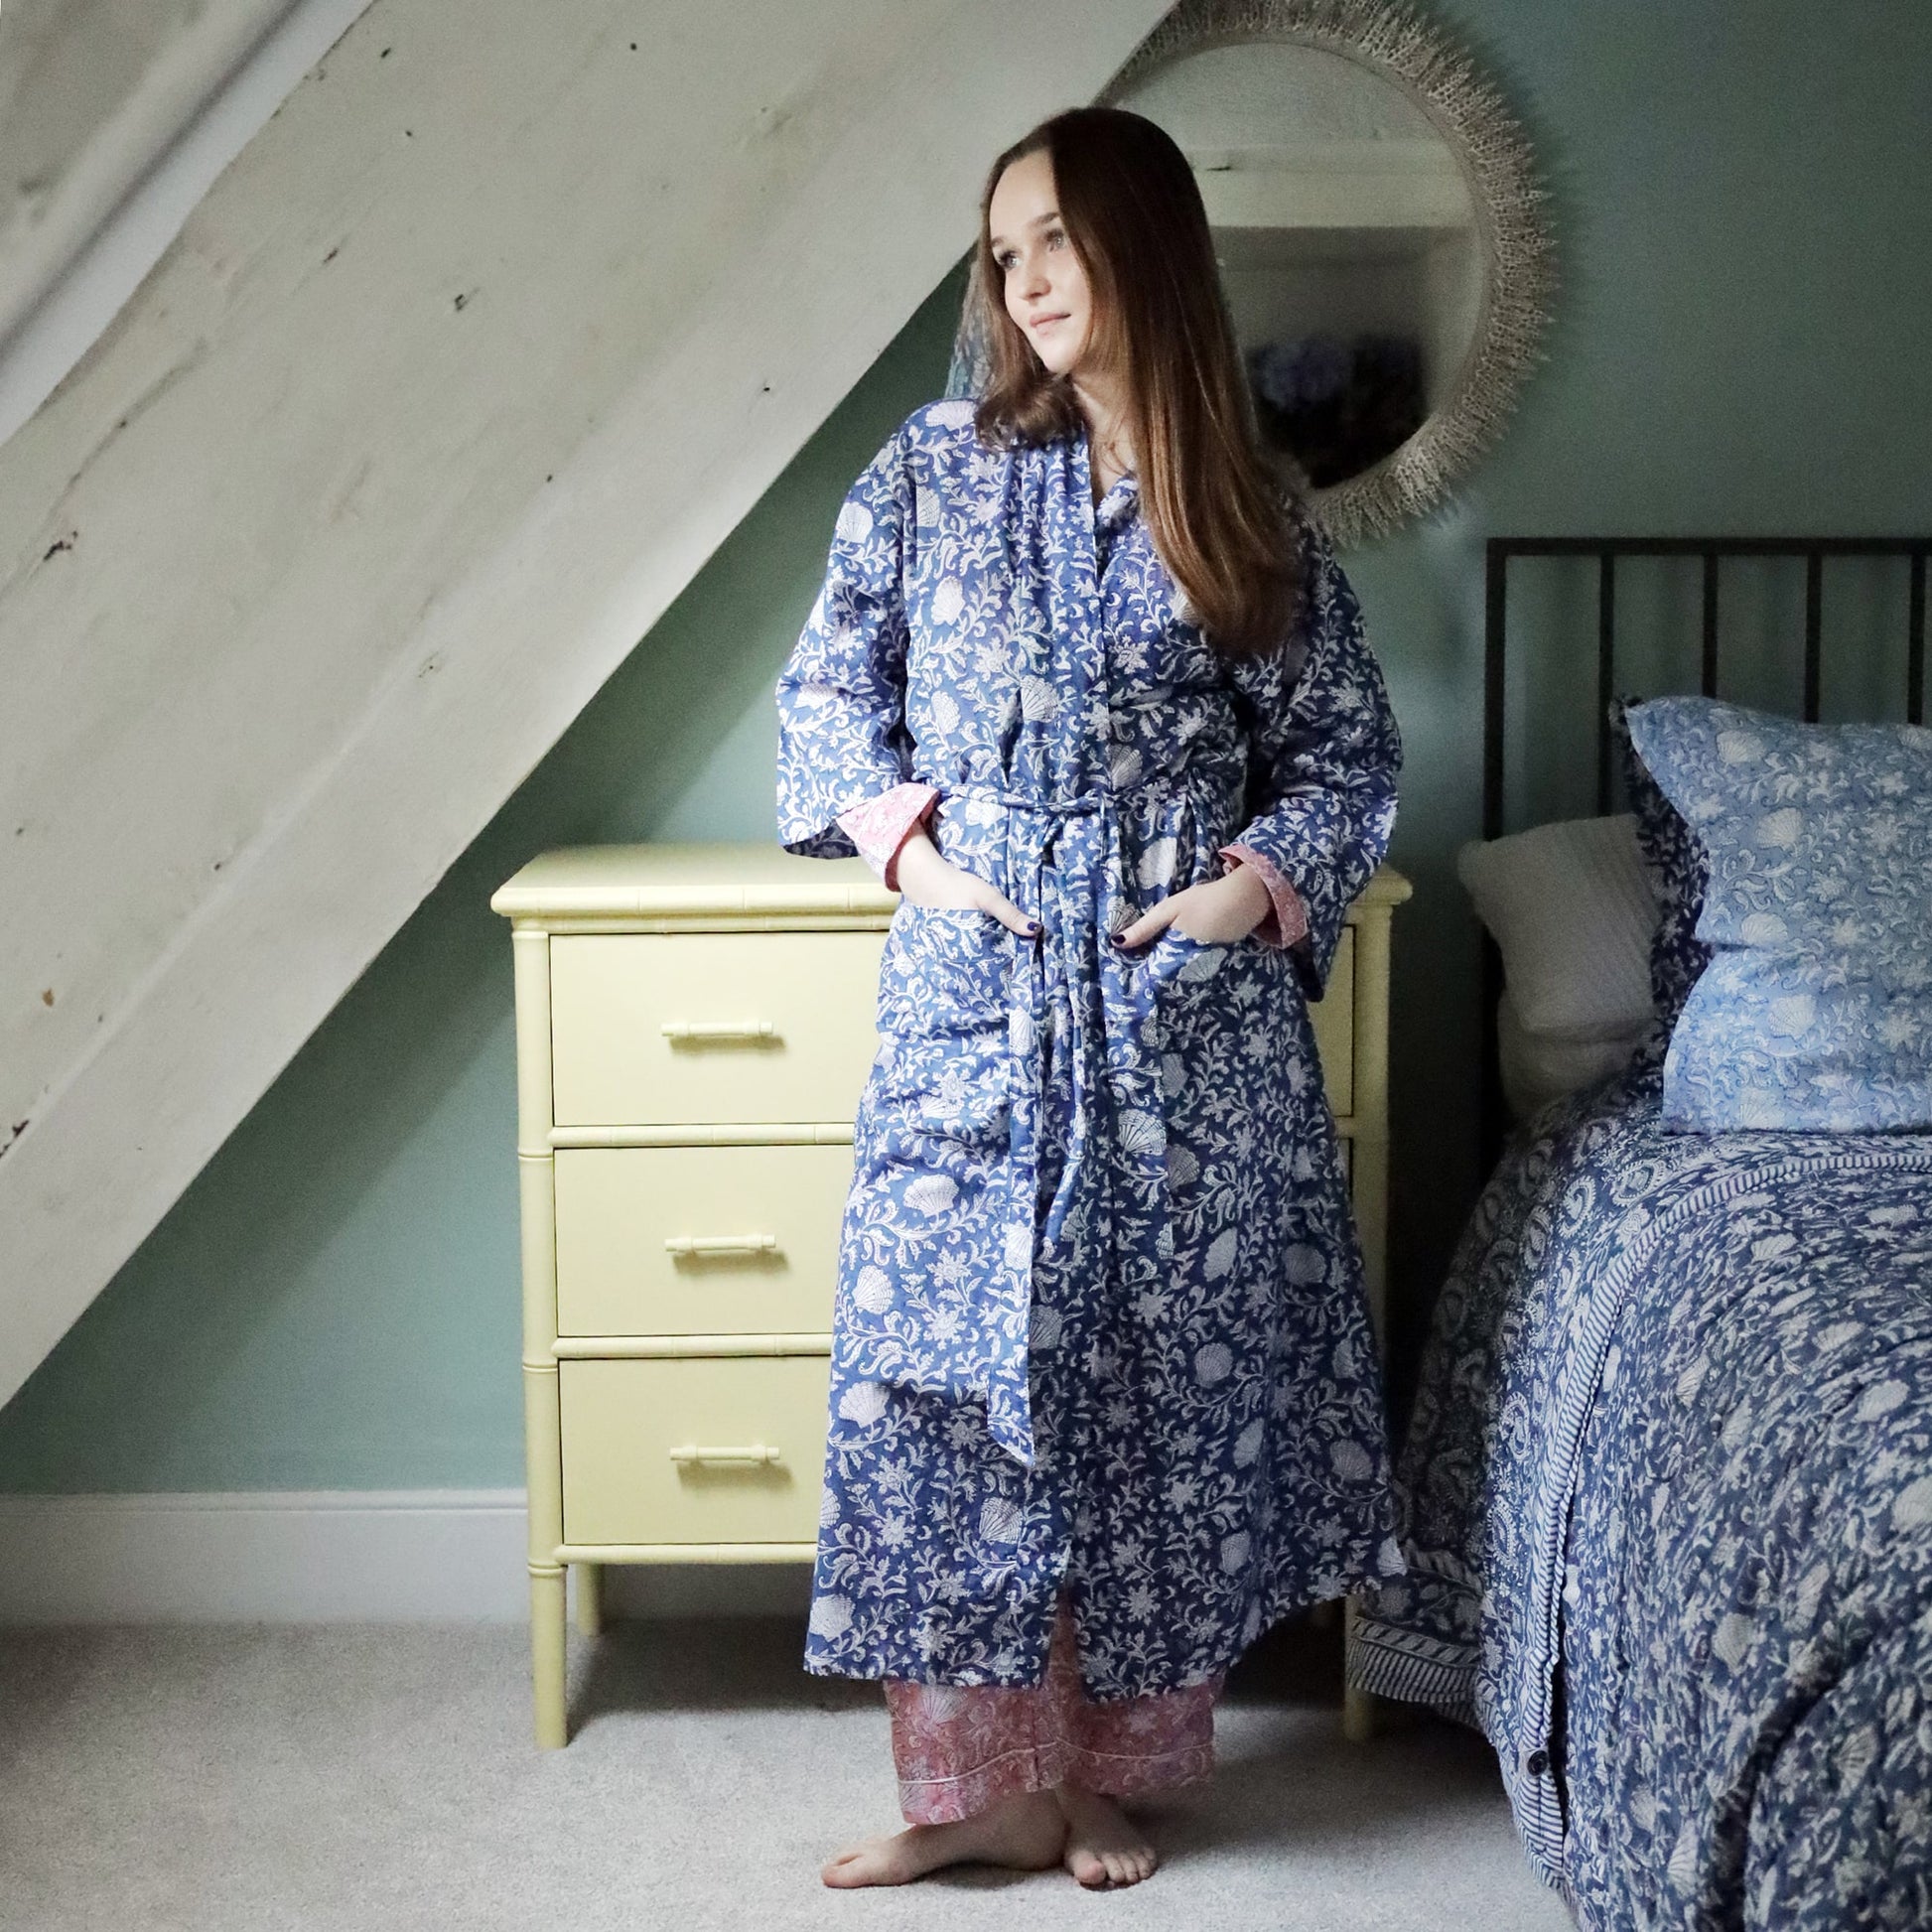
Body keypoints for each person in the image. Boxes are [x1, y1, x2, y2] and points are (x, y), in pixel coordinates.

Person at [773, 103, 1407, 1891]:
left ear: (1145, 241)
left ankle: (1094, 1778)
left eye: (1053, 235)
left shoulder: (1244, 502)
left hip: (1171, 1010)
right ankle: (974, 1786)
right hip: (985, 975)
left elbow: (1341, 750)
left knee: (1138, 1385)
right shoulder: (928, 470)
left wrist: (1242, 891)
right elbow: (828, 704)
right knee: (953, 1370)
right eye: (1003, 249)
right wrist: (920, 861)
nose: (1024, 277)